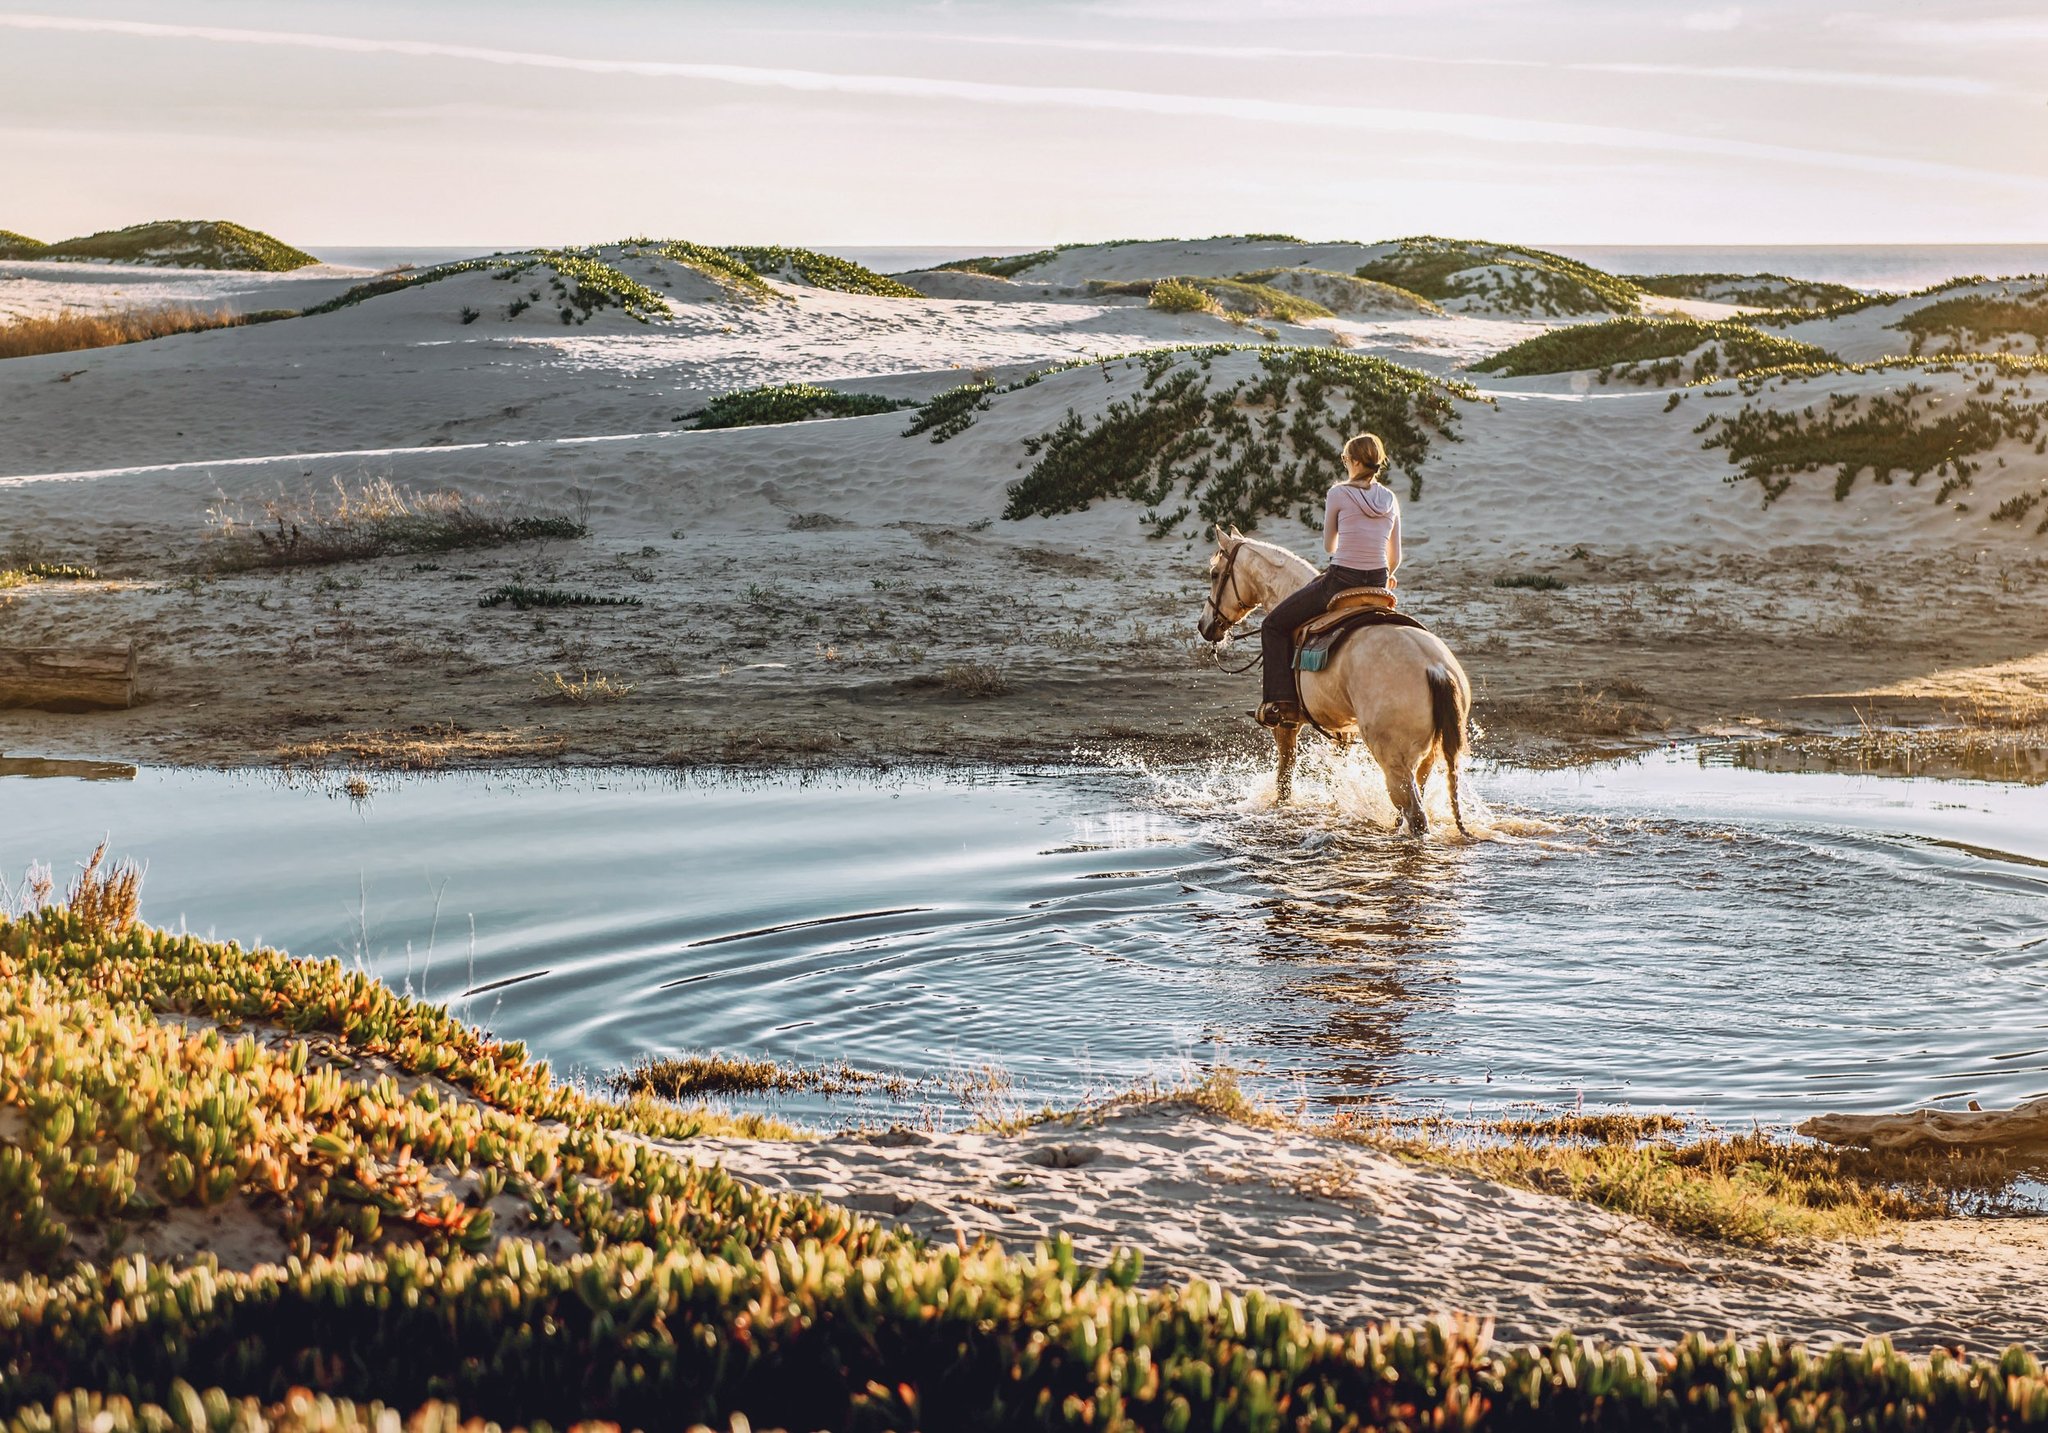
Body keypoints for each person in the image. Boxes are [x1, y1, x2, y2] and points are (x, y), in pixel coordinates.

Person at [1256, 432, 1402, 727]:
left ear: (1357, 461)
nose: (1346, 463)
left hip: (1341, 581)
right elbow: (1395, 556)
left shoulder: (1338, 494)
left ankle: (1282, 704)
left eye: (1346, 459)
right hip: (1378, 583)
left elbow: (1329, 546)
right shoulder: (1390, 499)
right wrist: (1387, 575)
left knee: (1272, 625)